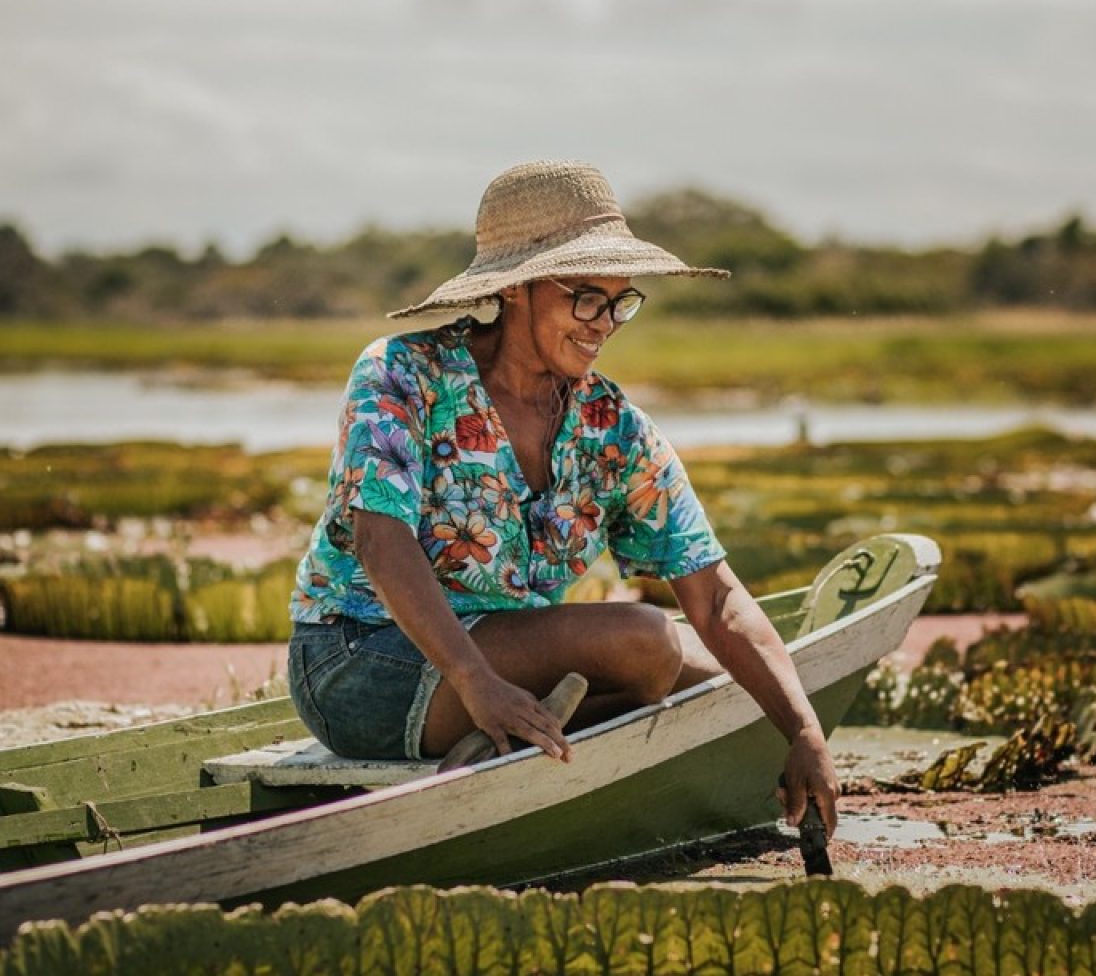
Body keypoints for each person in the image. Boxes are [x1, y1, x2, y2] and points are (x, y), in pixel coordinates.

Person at [287, 160, 838, 835]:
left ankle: (530, 739)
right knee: (647, 640)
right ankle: (519, 733)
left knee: (709, 668)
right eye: (586, 299)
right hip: (361, 665)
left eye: (619, 302)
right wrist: (474, 681)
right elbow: (380, 540)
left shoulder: (611, 425)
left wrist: (804, 731)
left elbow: (716, 597)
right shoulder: (405, 373)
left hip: (498, 662)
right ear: (518, 290)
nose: (604, 323)